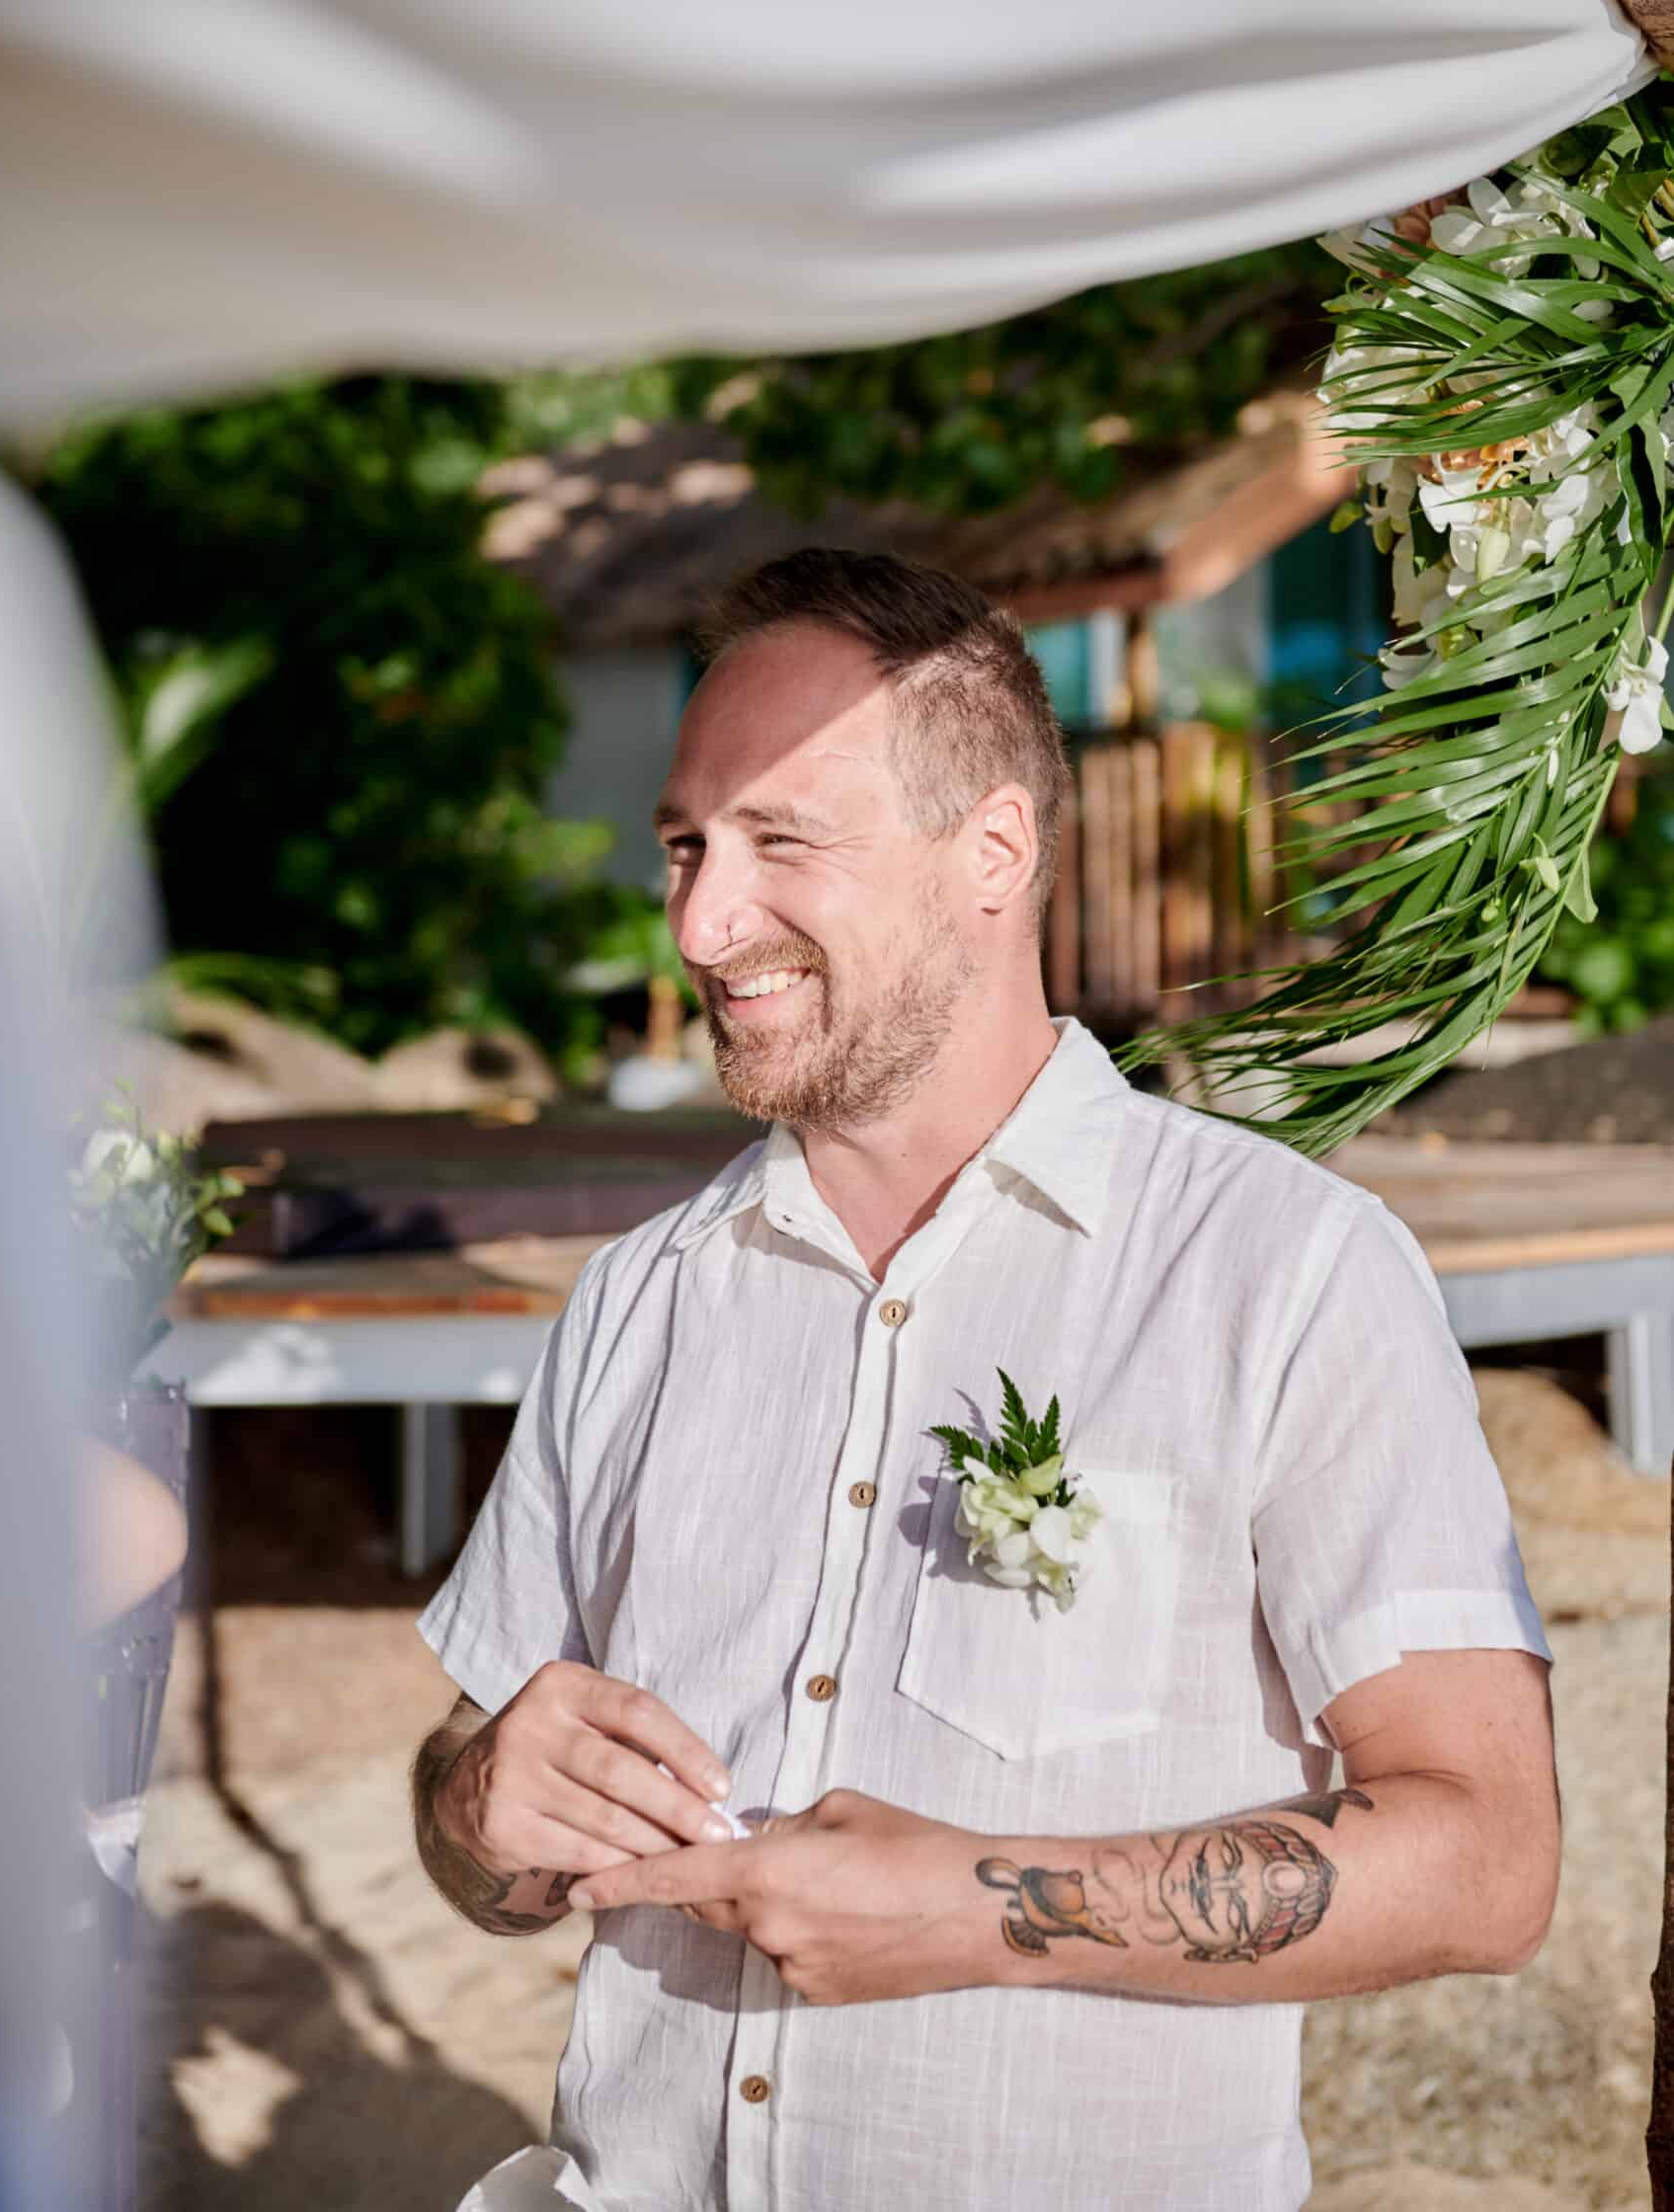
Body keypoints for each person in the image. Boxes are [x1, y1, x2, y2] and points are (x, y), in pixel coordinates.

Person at [424, 540, 1558, 2212]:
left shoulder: (1285, 1271)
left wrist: (978, 1906)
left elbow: (1489, 1862)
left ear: (994, 853)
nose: (700, 919)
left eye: (778, 839)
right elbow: (474, 1822)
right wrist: (484, 1805)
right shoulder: (636, 1304)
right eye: (685, 844)